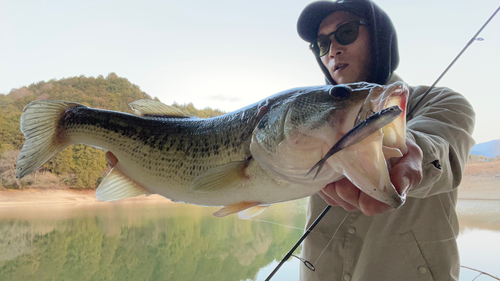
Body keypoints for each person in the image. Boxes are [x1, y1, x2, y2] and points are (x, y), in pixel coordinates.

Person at [296, 0, 475, 280]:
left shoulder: (444, 102)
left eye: (346, 33)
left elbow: (440, 148)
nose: (332, 50)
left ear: (380, 39)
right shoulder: (309, 118)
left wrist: (410, 155)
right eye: (321, 44)